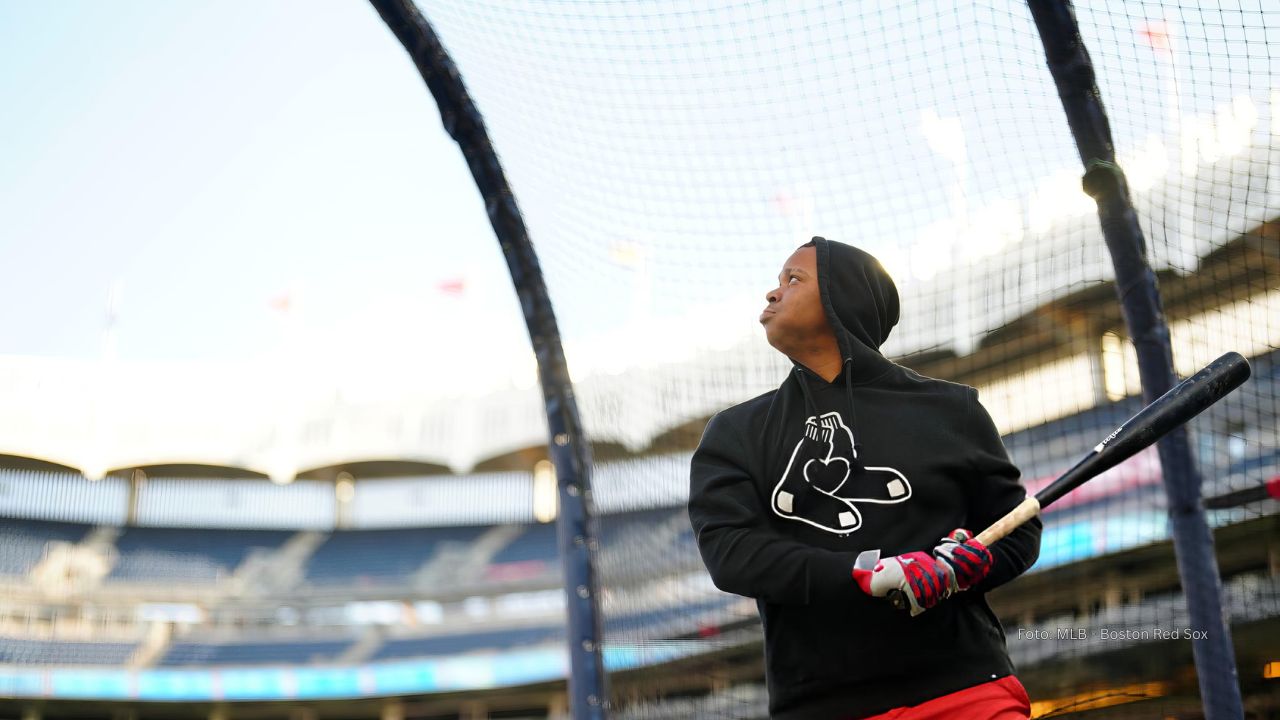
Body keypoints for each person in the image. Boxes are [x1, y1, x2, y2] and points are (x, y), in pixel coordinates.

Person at [687, 237, 1042, 719]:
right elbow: (731, 554)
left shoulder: (951, 409)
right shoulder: (735, 431)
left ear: (842, 297)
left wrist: (964, 569)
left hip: (966, 689)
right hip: (824, 706)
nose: (773, 294)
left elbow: (1017, 530)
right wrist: (862, 573)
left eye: (794, 279)